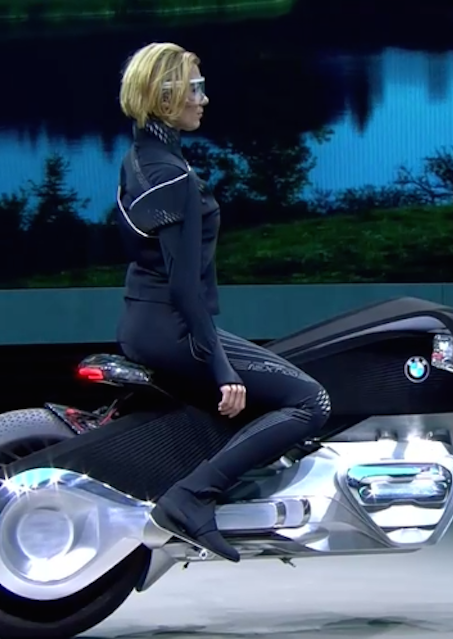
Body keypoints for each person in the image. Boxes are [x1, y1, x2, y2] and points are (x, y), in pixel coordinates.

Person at [112, 42, 333, 563]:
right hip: (172, 327)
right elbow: (184, 287)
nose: (204, 99)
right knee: (311, 402)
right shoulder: (173, 177)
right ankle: (191, 498)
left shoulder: (141, 159)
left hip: (143, 320)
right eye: (195, 88)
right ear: (165, 95)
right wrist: (220, 367)